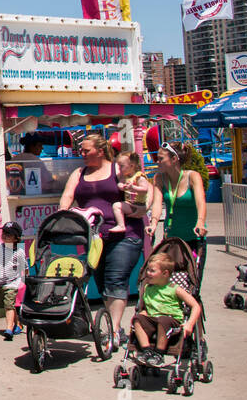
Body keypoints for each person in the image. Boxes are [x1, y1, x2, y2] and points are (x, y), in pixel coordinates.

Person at [58, 132, 145, 350]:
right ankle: (114, 326)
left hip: (124, 234)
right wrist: (61, 214)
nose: (82, 154)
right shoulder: (80, 172)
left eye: (86, 150)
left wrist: (138, 209)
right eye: (81, 150)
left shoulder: (117, 169)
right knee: (103, 283)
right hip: (94, 237)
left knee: (116, 279)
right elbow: (68, 196)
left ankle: (114, 331)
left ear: (100, 150)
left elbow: (141, 191)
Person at [150, 141, 209, 279]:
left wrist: (200, 222)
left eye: (161, 159)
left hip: (194, 238)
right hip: (172, 239)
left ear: (174, 159)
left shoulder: (192, 176)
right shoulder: (159, 178)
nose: (157, 162)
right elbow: (157, 203)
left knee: (192, 282)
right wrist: (153, 223)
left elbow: (201, 202)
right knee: (170, 282)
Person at [131, 254, 201, 366]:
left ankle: (159, 354)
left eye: (152, 271)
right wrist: (143, 312)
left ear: (165, 273)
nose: (148, 273)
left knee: (163, 321)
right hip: (153, 319)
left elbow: (196, 306)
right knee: (137, 319)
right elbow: (144, 308)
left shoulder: (174, 289)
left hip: (171, 320)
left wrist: (190, 324)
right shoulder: (147, 288)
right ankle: (146, 351)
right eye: (147, 269)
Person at [0, 221, 27, 340]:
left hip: (12, 282)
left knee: (8, 305)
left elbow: (24, 267)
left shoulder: (19, 252)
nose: (5, 236)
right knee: (6, 305)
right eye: (4, 233)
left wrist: (24, 278)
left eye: (9, 234)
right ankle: (18, 324)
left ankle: (9, 329)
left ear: (16, 238)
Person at [107, 151, 151, 234]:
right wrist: (121, 186)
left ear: (131, 166)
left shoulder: (138, 177)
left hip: (138, 204)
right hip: (130, 203)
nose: (119, 169)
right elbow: (120, 183)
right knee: (117, 206)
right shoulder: (126, 176)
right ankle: (121, 224)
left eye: (121, 166)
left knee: (116, 206)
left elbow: (145, 189)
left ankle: (121, 225)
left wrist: (133, 187)